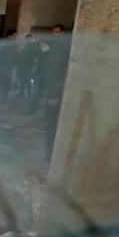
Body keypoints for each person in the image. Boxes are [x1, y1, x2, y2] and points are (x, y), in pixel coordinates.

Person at [44, 23, 71, 162]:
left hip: (57, 93)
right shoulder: (55, 46)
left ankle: (50, 156)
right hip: (57, 91)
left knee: (52, 125)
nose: (55, 34)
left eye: (57, 32)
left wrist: (53, 94)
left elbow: (56, 71)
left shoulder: (61, 47)